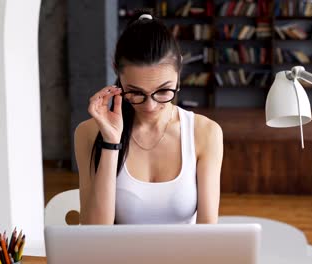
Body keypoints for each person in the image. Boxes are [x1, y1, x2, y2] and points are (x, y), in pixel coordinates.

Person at [74, 11, 223, 225]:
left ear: (179, 70)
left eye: (163, 91)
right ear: (118, 74)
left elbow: (208, 232)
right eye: (136, 92)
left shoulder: (205, 132)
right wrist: (110, 143)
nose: (150, 106)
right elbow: (94, 232)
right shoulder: (88, 133)